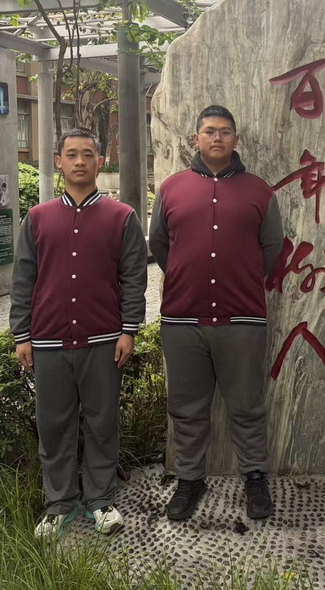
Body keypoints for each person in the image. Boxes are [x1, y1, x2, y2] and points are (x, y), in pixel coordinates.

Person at [10, 127, 147, 539]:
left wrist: (129, 330)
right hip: (48, 341)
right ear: (58, 162)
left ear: (100, 161)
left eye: (88, 154)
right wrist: (21, 335)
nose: (80, 161)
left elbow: (133, 278)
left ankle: (101, 500)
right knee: (54, 426)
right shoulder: (37, 218)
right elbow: (23, 280)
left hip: (104, 341)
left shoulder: (122, 217)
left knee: (102, 423)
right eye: (71, 154)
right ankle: (59, 504)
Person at [149, 105, 283, 521]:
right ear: (196, 139)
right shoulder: (171, 189)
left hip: (242, 319)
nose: (217, 138)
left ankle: (254, 478)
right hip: (182, 319)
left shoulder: (259, 192)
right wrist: (186, 276)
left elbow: (272, 248)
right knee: (187, 407)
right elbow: (159, 245)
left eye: (225, 131)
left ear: (235, 139)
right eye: (209, 131)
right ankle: (190, 478)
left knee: (247, 406)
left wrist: (239, 279)